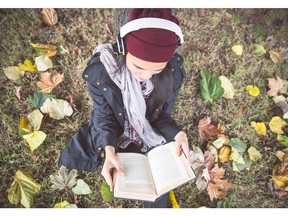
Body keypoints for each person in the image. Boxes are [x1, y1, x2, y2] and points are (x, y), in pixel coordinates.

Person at [59, 8, 191, 208]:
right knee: (119, 169)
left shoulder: (173, 74)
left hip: (148, 132)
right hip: (117, 130)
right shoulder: (102, 73)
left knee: (159, 191)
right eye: (138, 66)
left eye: (157, 69)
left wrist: (178, 134)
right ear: (123, 49)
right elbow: (104, 117)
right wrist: (109, 149)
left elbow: (162, 117)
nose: (145, 76)